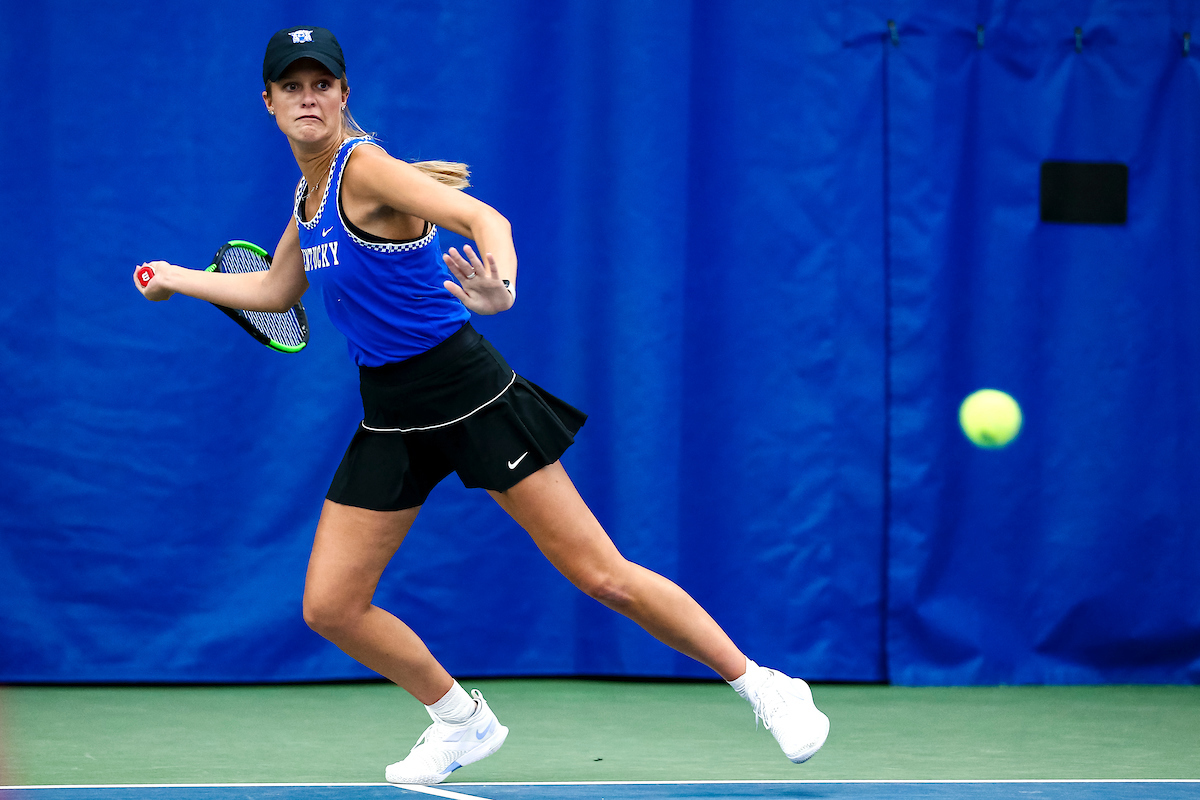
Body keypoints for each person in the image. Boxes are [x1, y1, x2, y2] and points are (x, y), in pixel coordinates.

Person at [134, 25, 830, 786]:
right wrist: (175, 278)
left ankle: (765, 685)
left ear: (343, 95)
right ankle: (461, 720)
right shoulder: (307, 198)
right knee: (331, 606)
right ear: (268, 102)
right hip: (391, 414)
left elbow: (484, 219)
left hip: (471, 395)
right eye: (292, 87)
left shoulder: (365, 169)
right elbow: (274, 289)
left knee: (602, 575)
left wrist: (501, 287)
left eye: (322, 84)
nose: (309, 98)